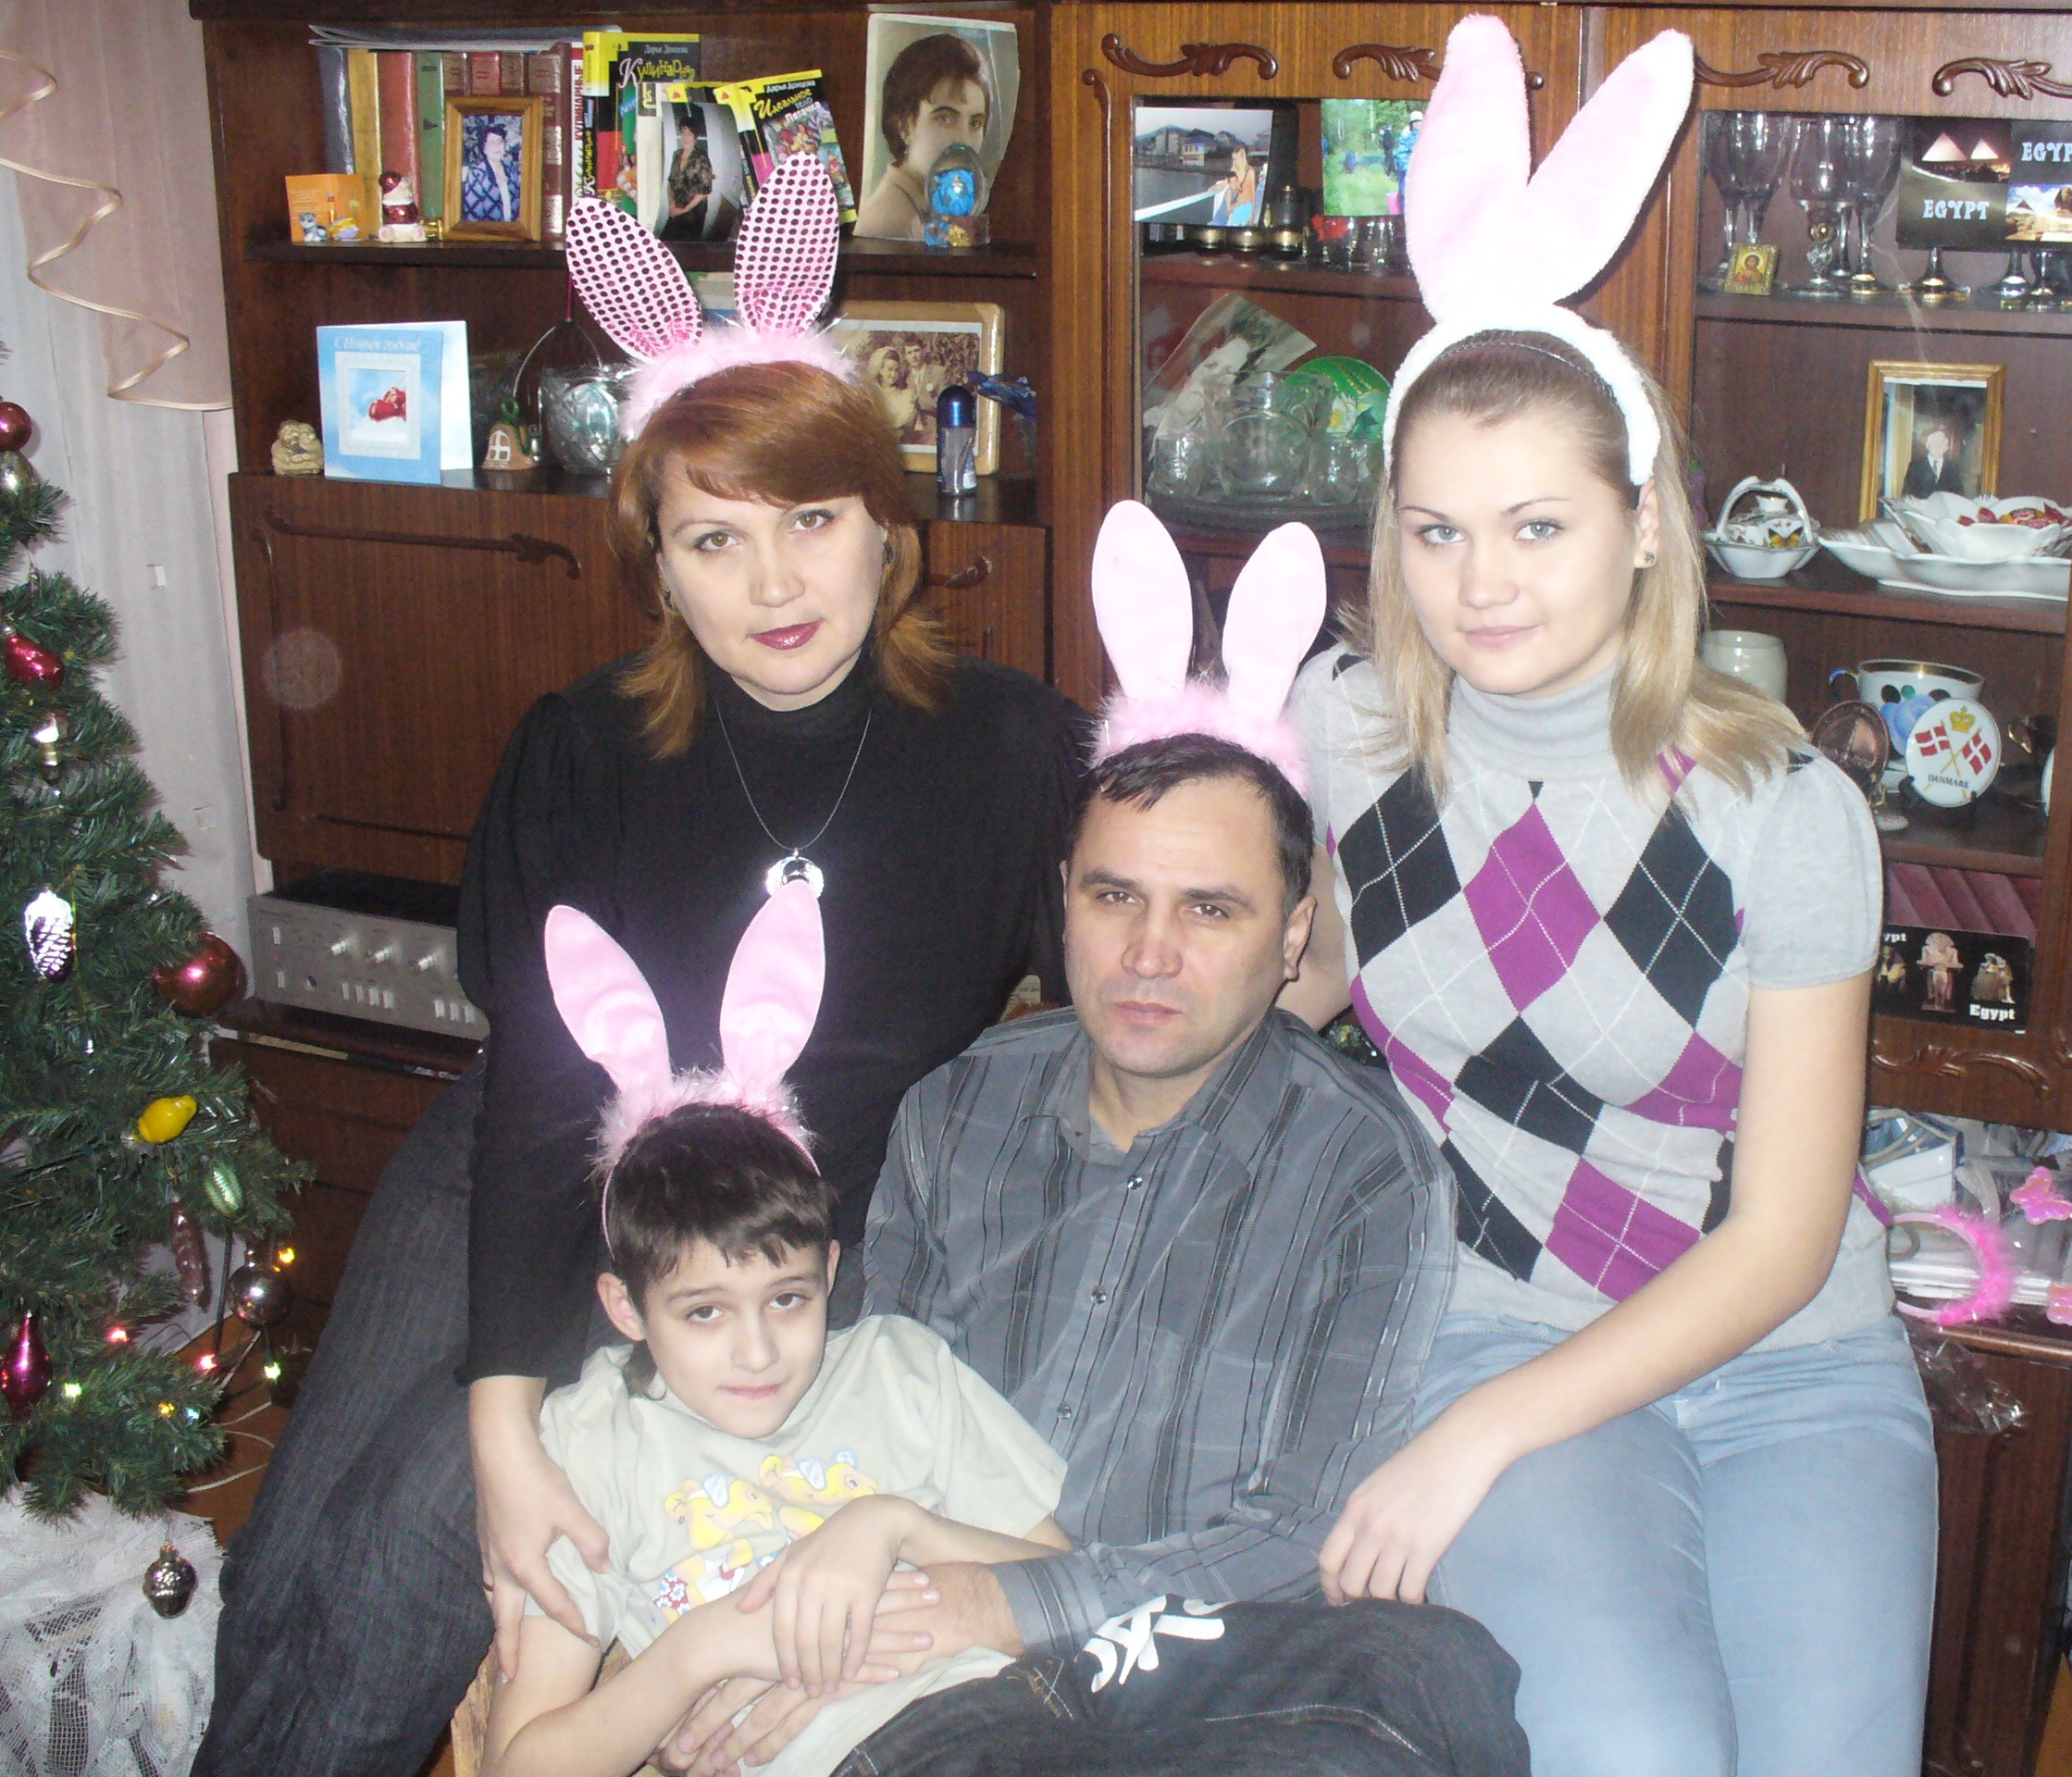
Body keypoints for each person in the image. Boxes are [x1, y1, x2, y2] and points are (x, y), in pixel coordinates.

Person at [195, 160, 1088, 1777]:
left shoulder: (1016, 751)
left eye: (813, 522)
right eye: (713, 539)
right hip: (523, 1162)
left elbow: (1160, 959)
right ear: (658, 566)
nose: (774, 584)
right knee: (317, 1523)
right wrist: (505, 1417)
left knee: (421, 1541)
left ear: (890, 531)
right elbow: (542, 1090)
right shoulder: (586, 746)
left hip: (754, 1238)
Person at [1282, 20, 1938, 1777]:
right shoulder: (1346, 732)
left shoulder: (1784, 813)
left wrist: (1477, 1440)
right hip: (1490, 1316)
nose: (1478, 585)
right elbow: (1305, 978)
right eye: (1435, 531)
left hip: (1789, 1354)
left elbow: (1783, 1238)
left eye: (1537, 527)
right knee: (1638, 1755)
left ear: (1643, 524)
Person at [654, 507, 1520, 1777]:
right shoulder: (956, 1114)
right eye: (1115, 897)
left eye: (1210, 911)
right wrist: (804, 1627)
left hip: (1209, 1663)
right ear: (1062, 900)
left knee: (1432, 1681)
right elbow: (850, 1411)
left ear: (1292, 938)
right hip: (946, 1679)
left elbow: (1299, 1532)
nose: (1149, 955)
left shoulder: (1360, 1170)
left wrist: (997, 1600)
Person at [484, 885, 1073, 1777]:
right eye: (704, 1312)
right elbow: (518, 1764)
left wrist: (896, 1526)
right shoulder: (594, 1441)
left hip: (1014, 1721)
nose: (757, 1351)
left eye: (788, 1300)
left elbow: (1077, 1593)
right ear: (625, 1309)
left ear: (831, 1273)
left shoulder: (900, 1371)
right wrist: (702, 1649)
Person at [857, 32, 991, 241]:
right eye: (945, 118)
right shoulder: (890, 223)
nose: (964, 141)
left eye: (975, 123)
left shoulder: (938, 206)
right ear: (904, 125)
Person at [664, 114, 716, 242]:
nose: (685, 137)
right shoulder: (677, 154)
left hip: (693, 214)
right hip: (676, 209)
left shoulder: (701, 157)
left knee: (688, 248)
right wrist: (672, 205)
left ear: (695, 137)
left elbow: (705, 191)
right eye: (683, 132)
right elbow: (671, 182)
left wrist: (684, 210)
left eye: (689, 134)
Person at [1902, 422, 1967, 498]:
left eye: (1942, 443)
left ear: (1946, 448)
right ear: (1927, 445)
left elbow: (1959, 495)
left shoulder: (1953, 467)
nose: (1938, 446)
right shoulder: (1915, 466)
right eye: (1935, 442)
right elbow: (1907, 495)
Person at [1207, 143, 1259, 226]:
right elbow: (1225, 183)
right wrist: (1213, 187)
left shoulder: (1250, 171)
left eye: (1238, 158)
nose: (1236, 161)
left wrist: (1252, 214)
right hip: (1237, 206)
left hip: (1247, 204)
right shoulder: (1233, 171)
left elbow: (1253, 193)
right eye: (1234, 158)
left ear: (1243, 157)